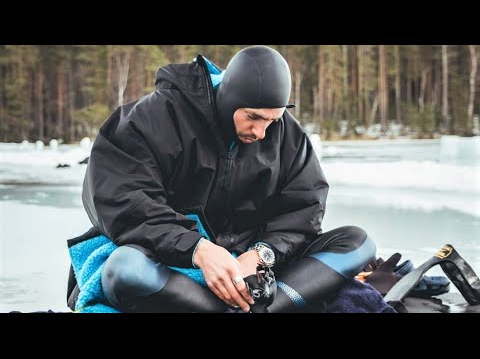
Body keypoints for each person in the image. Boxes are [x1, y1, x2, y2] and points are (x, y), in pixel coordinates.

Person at [69, 45, 376, 313]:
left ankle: (258, 309)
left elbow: (305, 209)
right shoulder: (149, 120)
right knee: (125, 269)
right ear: (227, 99)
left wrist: (261, 253)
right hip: (173, 264)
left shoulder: (286, 135)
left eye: (272, 120)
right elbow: (124, 203)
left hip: (250, 267)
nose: (261, 133)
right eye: (253, 117)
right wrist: (198, 249)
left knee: (358, 243)